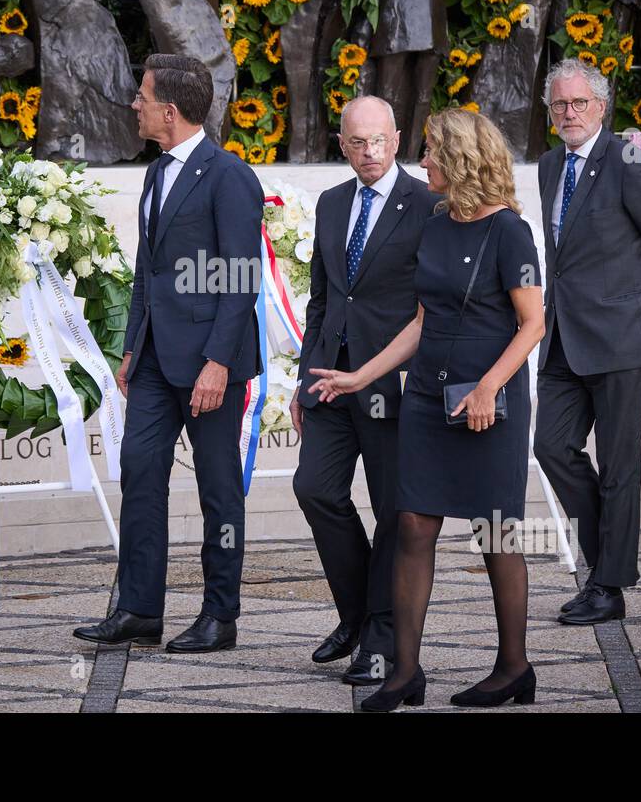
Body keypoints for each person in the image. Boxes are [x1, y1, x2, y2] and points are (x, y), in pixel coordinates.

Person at [309, 108, 546, 712]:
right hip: (425, 398)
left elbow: (533, 322)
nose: (424, 162)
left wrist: (490, 386)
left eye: (433, 152)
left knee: (496, 535)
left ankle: (514, 667)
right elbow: (420, 320)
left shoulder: (511, 232)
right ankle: (404, 673)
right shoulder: (436, 223)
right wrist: (361, 375)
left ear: (462, 158)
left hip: (489, 402)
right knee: (414, 525)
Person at [73, 54, 263, 653]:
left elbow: (240, 277)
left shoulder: (229, 175)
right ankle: (137, 609)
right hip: (154, 361)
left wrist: (218, 362)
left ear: (170, 111)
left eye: (142, 97)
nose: (135, 105)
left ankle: (220, 615)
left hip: (211, 363)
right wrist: (132, 348)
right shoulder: (156, 173)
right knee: (141, 473)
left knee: (218, 490)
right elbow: (146, 273)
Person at [532, 58, 641, 626]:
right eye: (560, 104)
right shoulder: (550, 166)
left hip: (626, 337)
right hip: (564, 338)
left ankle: (607, 586)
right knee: (550, 446)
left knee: (619, 463)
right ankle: (609, 561)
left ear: (602, 106)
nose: (569, 113)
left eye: (579, 103)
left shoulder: (627, 159)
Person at [291, 96, 440, 686]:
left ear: (397, 138)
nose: (370, 152)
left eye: (379, 140)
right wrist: (305, 381)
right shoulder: (331, 204)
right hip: (331, 379)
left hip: (394, 385)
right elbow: (322, 299)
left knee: (391, 513)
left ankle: (381, 637)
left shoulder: (428, 205)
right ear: (342, 143)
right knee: (315, 489)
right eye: (358, 142)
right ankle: (355, 616)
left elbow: (432, 306)